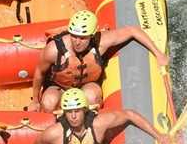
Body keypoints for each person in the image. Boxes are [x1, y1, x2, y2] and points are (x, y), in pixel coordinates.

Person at [26, 9, 170, 112]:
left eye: (83, 37)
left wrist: (158, 53)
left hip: (87, 86)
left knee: (93, 97)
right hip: (60, 87)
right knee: (49, 102)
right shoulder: (54, 49)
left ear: (92, 36)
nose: (77, 41)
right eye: (74, 36)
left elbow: (132, 30)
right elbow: (39, 73)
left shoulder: (102, 42)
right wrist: (35, 101)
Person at [29, 87, 169, 144]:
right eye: (69, 112)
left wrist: (159, 136)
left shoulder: (99, 124)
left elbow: (129, 115)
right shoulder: (55, 133)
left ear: (85, 110)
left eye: (77, 111)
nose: (73, 116)